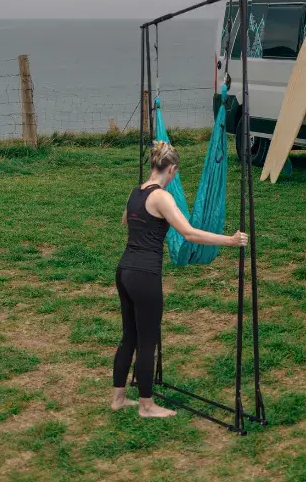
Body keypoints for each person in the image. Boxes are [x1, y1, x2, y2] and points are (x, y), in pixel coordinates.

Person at [112, 141, 248, 418]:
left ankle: (118, 399)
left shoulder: (136, 191)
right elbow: (189, 233)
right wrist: (231, 241)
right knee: (148, 339)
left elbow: (127, 220)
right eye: (175, 173)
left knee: (130, 336)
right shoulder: (161, 197)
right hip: (145, 274)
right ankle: (147, 406)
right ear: (171, 169)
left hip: (125, 270)